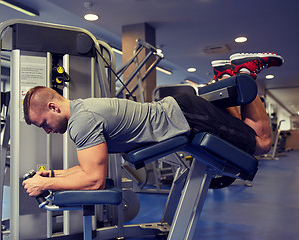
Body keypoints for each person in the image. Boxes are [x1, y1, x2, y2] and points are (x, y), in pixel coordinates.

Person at [22, 52, 283, 196]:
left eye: (43, 123)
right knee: (236, 127)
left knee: (260, 143)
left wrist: (44, 184)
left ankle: (246, 71)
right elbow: (86, 168)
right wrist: (53, 175)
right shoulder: (82, 112)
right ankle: (226, 74)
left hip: (188, 117)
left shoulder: (82, 121)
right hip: (184, 112)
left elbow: (94, 180)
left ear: (53, 107)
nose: (47, 131)